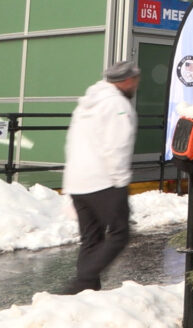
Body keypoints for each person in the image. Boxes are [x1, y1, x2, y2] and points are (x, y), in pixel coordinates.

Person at [61, 60, 141, 294]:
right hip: (103, 181)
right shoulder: (117, 105)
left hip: (78, 181)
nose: (136, 84)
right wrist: (120, 182)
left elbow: (72, 141)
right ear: (126, 80)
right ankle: (82, 280)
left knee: (91, 238)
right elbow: (117, 146)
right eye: (135, 79)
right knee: (120, 234)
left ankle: (86, 290)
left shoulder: (87, 103)